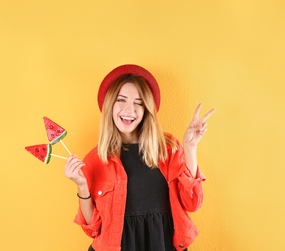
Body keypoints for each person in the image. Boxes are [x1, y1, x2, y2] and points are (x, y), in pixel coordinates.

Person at [64, 64, 215, 251]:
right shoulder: (95, 159)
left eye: (139, 102)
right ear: (110, 105)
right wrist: (81, 185)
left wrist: (191, 148)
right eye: (121, 100)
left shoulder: (167, 149)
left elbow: (192, 204)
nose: (129, 110)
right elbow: (92, 228)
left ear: (146, 109)